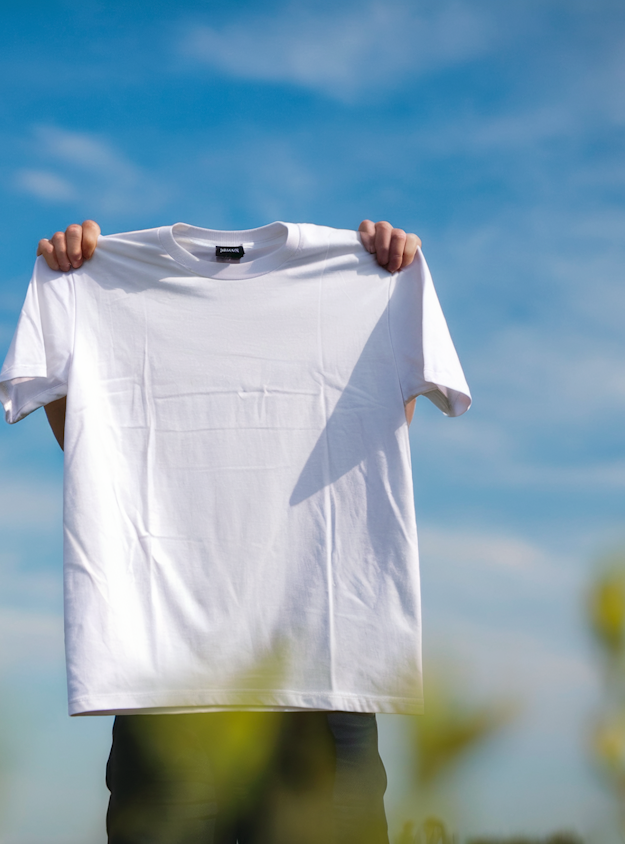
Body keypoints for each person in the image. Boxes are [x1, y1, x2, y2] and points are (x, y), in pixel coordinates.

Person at [22, 218, 435, 844]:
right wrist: (71, 285)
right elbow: (92, 444)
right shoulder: (93, 283)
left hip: (321, 681)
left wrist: (385, 280)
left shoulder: (373, 277)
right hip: (167, 683)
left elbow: (380, 431)